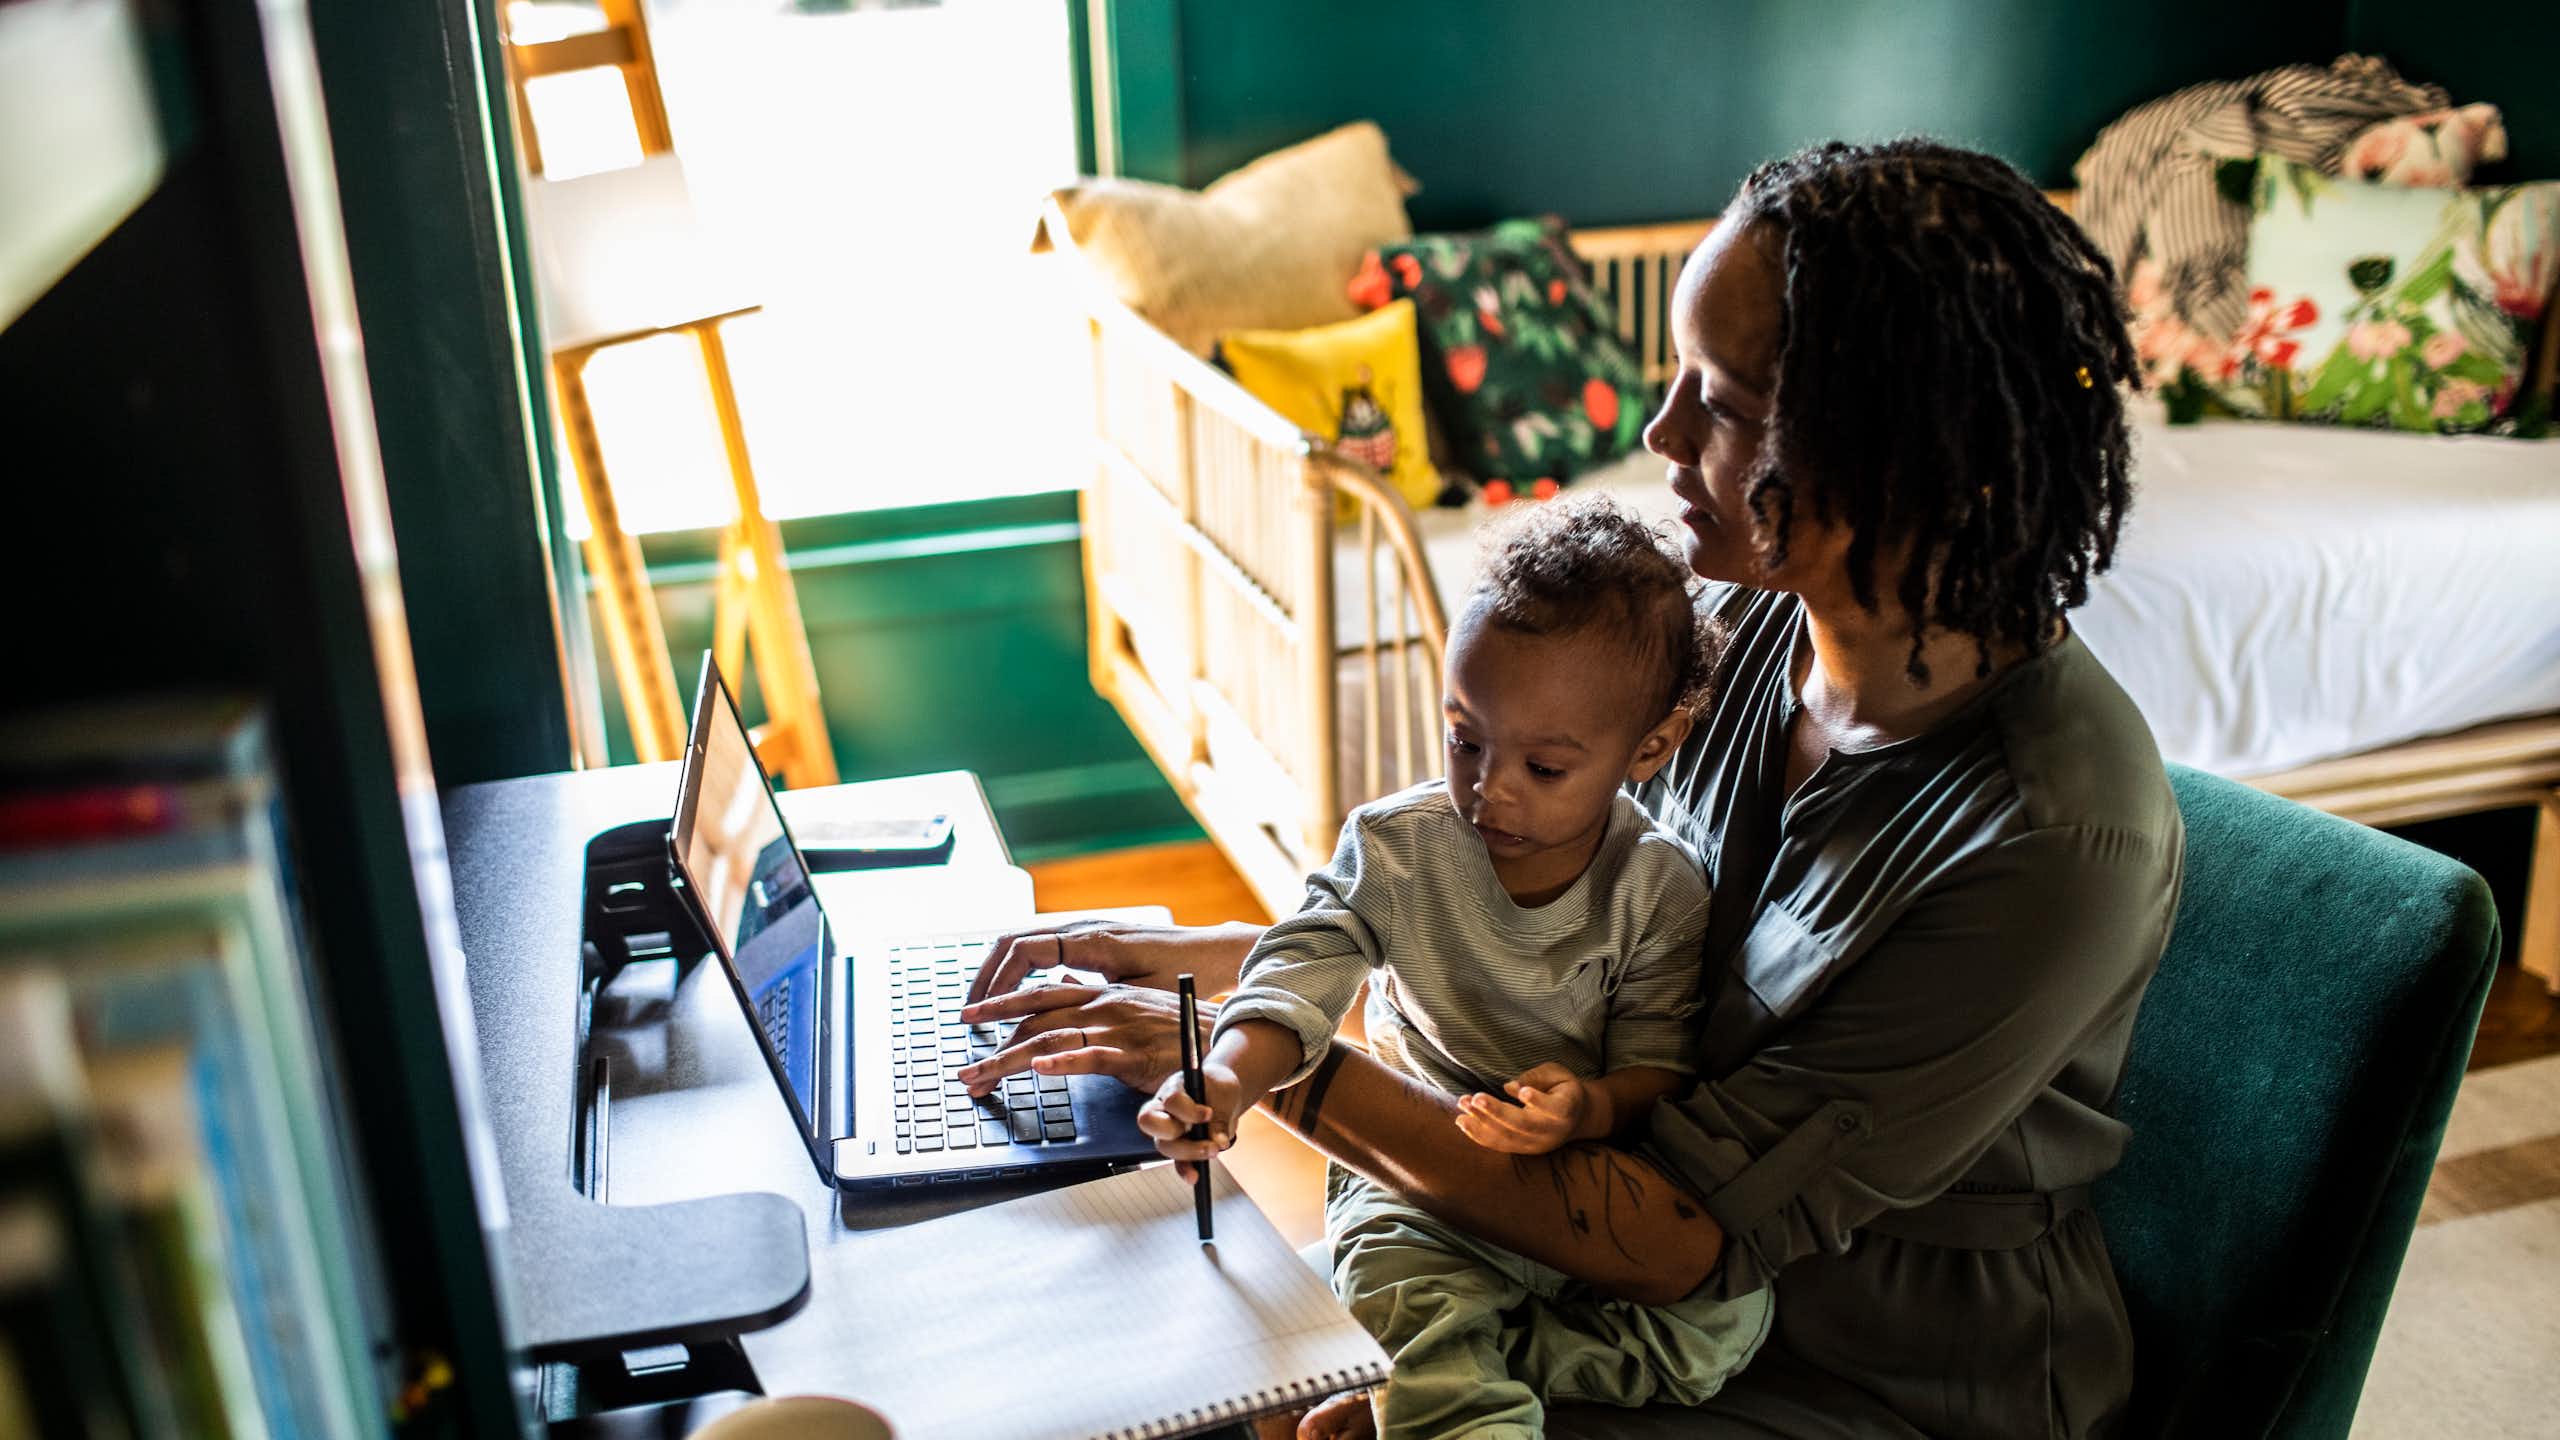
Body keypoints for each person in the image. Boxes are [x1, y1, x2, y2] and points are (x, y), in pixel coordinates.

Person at [959, 138, 2184, 1440]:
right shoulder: (1737, 633)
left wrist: (1271, 1063)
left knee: (1255, 1396)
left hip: (1870, 1368)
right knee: (1180, 1361)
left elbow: (1689, 1234)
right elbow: (1554, 949)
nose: (1662, 433)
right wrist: (1219, 968)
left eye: (1725, 404)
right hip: (1596, 1266)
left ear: (1905, 459)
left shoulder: (2047, 840)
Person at [1148, 497, 1769, 1440]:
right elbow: (1298, 968)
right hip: (1418, 1191)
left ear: (1649, 748)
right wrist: (1228, 1078)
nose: (1489, 788)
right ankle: (1448, 1387)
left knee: (1724, 1327)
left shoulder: (1660, 888)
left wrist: (1587, 1108)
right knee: (1417, 1302)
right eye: (1464, 741)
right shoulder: (1396, 848)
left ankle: (1458, 1361)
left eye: (1543, 768)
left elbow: (1656, 1066)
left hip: (1572, 1186)